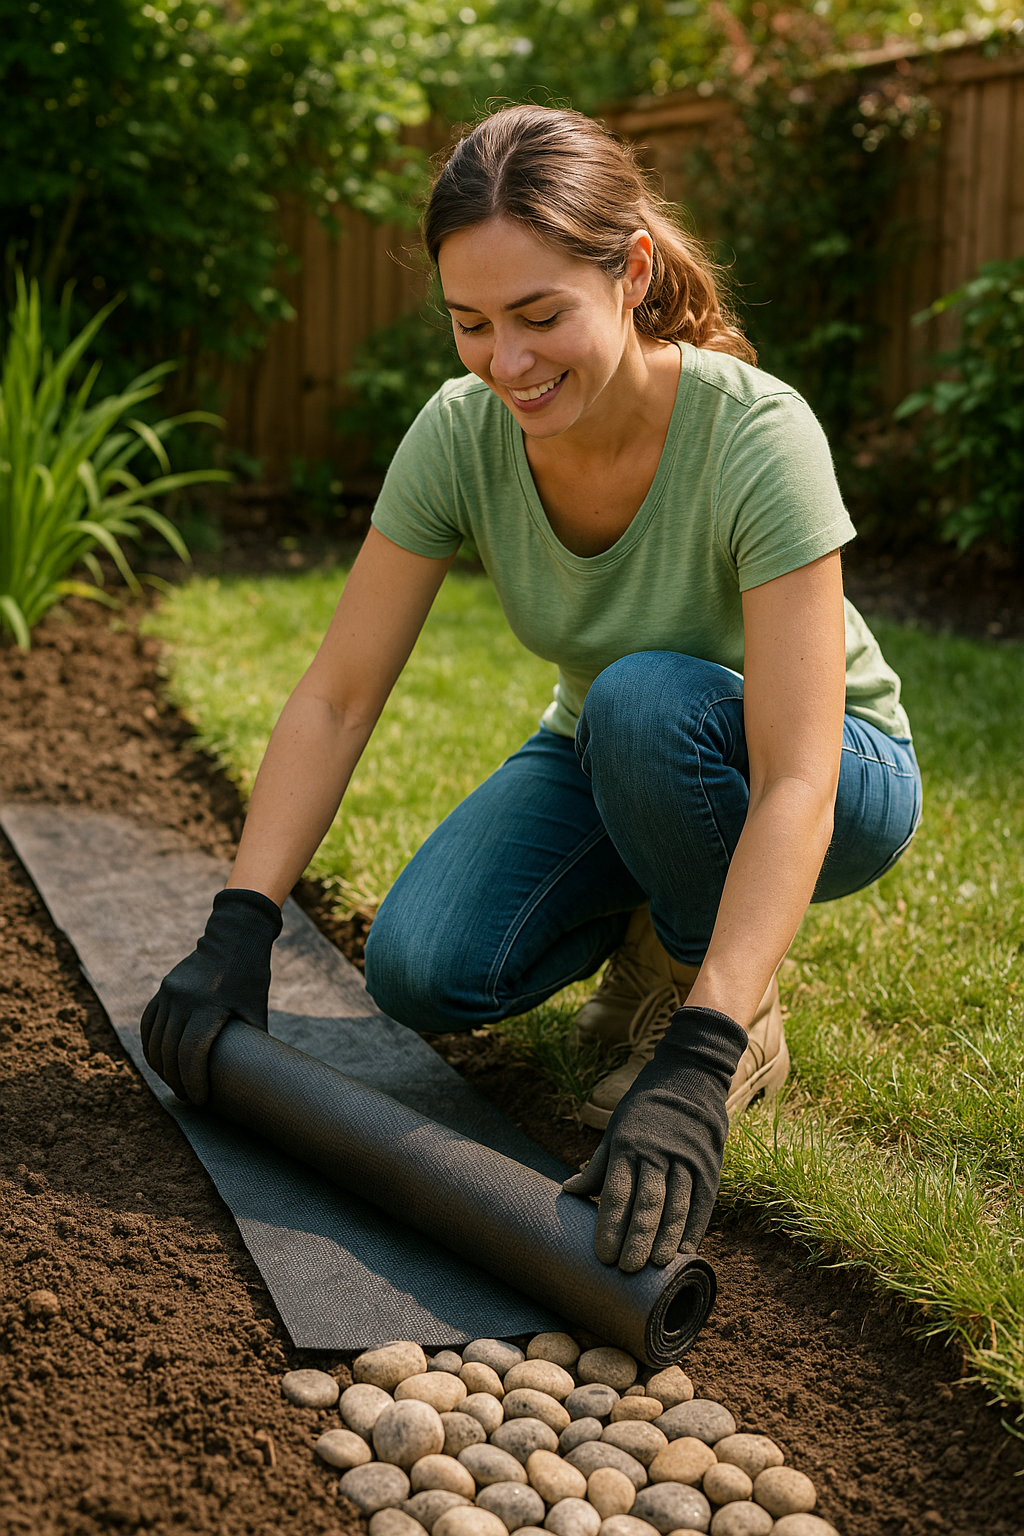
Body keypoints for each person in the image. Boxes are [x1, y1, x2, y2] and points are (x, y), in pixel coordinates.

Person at [141, 105, 922, 1277]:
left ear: (633, 272)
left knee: (645, 699)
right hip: (616, 751)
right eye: (471, 323)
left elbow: (802, 770)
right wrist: (240, 921)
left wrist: (701, 1057)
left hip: (830, 771)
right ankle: (657, 911)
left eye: (541, 315)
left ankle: (716, 987)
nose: (507, 362)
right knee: (421, 966)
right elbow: (338, 695)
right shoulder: (463, 433)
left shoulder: (756, 436)